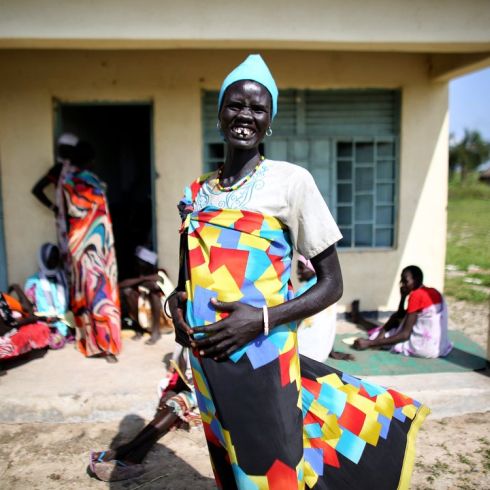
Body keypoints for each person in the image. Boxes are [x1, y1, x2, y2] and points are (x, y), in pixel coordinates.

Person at [169, 54, 429, 489]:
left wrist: (261, 319)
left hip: (264, 352)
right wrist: (173, 309)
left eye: (258, 108)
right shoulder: (197, 192)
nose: (245, 116)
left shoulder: (291, 182)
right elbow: (184, 282)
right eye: (235, 104)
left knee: (274, 460)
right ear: (219, 112)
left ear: (270, 121)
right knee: (229, 460)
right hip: (208, 357)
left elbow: (332, 284)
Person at [89, 344, 199, 482]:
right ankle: (133, 459)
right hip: (191, 387)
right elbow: (180, 373)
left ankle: (122, 451)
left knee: (175, 405)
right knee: (169, 404)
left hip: (208, 395)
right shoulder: (184, 341)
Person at [63, 141, 121, 362]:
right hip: (100, 244)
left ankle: (89, 342)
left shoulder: (67, 183)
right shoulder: (96, 182)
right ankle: (107, 345)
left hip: (77, 242)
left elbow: (64, 213)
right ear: (91, 160)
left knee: (85, 292)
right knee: (103, 292)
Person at [353, 265, 453, 358]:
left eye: (405, 281)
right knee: (392, 321)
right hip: (439, 346)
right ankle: (361, 321)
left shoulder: (416, 295)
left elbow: (405, 335)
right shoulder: (432, 291)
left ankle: (362, 323)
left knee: (384, 333)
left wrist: (370, 343)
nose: (402, 284)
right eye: (401, 280)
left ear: (416, 280)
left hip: (423, 347)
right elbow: (401, 315)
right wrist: (403, 297)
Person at [32, 133, 79, 280]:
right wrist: (54, 207)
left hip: (72, 222)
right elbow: (37, 190)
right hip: (71, 222)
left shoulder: (70, 170)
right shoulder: (64, 170)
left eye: (64, 149)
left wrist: (55, 208)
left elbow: (37, 190)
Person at [296, 255, 353, 361]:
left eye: (301, 267)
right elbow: (329, 323)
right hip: (322, 352)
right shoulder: (328, 288)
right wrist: (331, 350)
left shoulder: (306, 290)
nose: (298, 271)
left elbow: (295, 319)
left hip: (303, 351)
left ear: (313, 268)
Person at [119, 246, 174, 345]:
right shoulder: (141, 276)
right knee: (128, 292)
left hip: (165, 321)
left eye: (139, 261)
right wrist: (143, 279)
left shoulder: (159, 274)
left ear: (146, 264)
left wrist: (143, 281)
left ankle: (156, 332)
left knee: (154, 294)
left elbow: (155, 286)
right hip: (146, 317)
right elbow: (121, 285)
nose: (137, 264)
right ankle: (140, 328)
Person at [24, 243, 71, 342]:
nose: (53, 261)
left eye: (55, 257)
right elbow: (30, 308)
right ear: (43, 259)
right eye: (51, 258)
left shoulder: (62, 278)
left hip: (63, 320)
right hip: (44, 321)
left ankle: (59, 334)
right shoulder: (33, 282)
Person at [0, 288, 56, 364]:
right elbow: (11, 323)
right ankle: (41, 318)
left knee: (29, 317)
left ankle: (41, 318)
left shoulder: (4, 301)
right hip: (6, 329)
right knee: (29, 318)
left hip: (9, 323)